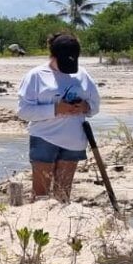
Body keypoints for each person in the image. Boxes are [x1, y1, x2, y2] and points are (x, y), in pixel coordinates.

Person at [16, 33, 100, 202]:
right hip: (44, 138)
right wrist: (55, 109)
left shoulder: (83, 75)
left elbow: (95, 107)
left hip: (74, 141)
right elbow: (23, 111)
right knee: (41, 195)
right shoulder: (36, 76)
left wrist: (85, 107)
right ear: (52, 55)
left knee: (63, 194)